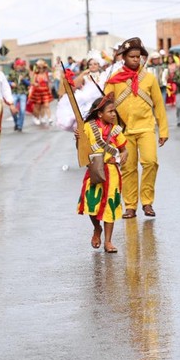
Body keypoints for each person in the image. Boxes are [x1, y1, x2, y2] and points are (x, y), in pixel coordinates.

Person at [104, 37, 168, 219]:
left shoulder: (149, 78)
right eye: (131, 56)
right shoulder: (114, 80)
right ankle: (130, 206)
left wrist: (163, 130)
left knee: (150, 162)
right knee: (128, 168)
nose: (135, 59)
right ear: (124, 57)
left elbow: (159, 104)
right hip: (123, 131)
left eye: (138, 56)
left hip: (146, 127)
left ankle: (147, 202)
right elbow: (105, 105)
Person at [76, 94, 128, 253]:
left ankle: (108, 241)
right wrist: (78, 139)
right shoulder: (88, 127)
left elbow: (124, 149)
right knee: (92, 202)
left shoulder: (116, 130)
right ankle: (97, 228)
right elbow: (81, 150)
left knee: (110, 206)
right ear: (99, 114)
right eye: (110, 111)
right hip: (95, 170)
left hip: (112, 171)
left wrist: (123, 155)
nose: (113, 114)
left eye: (114, 111)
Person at [29, 59, 54, 126]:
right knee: (37, 106)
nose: (41, 69)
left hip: (45, 91)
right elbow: (32, 82)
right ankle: (36, 118)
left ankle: (47, 118)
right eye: (39, 68)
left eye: (42, 68)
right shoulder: (35, 74)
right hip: (37, 92)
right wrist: (35, 84)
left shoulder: (46, 74)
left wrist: (50, 90)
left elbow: (49, 81)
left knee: (45, 105)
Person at [8, 58, 30, 132]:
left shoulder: (26, 72)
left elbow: (29, 83)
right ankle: (16, 122)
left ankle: (20, 125)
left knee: (22, 110)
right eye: (20, 65)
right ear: (16, 65)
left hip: (23, 93)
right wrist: (11, 83)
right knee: (12, 109)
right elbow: (7, 81)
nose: (22, 66)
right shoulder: (12, 72)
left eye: (22, 65)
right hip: (14, 92)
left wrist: (23, 79)